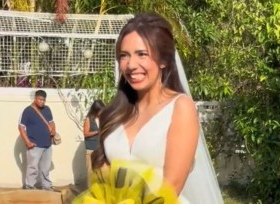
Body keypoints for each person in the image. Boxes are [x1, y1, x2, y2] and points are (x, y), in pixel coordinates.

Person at [91, 13, 223, 203]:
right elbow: (103, 180)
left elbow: (171, 186)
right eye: (124, 56)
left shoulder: (180, 108)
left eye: (142, 54)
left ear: (164, 60)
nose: (131, 65)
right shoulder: (114, 113)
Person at [18, 90, 56, 191]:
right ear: (35, 98)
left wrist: (53, 130)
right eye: (40, 99)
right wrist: (28, 143)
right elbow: (21, 127)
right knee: (32, 167)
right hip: (34, 145)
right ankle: (30, 186)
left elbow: (51, 122)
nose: (42, 102)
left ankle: (46, 185)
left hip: (47, 144)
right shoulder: (27, 111)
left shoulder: (47, 109)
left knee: (46, 167)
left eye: (43, 100)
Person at [83, 99, 105, 187]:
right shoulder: (89, 119)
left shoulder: (102, 119)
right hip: (91, 149)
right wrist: (97, 132)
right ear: (95, 110)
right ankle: (90, 191)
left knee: (100, 171)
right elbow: (85, 134)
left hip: (100, 149)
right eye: (99, 111)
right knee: (90, 172)